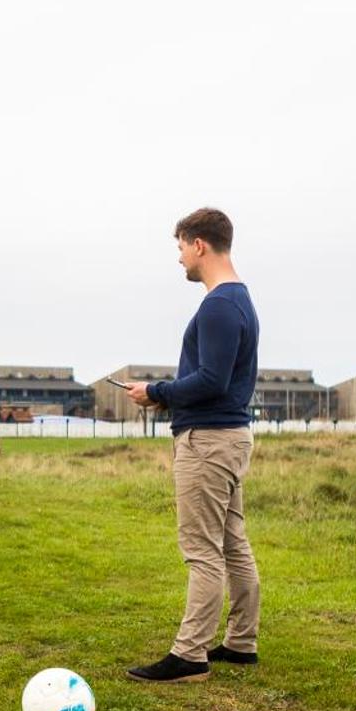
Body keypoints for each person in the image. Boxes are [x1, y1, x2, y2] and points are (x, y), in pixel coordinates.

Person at [123, 207, 261, 683]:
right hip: (227, 435)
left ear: (199, 244)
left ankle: (190, 655)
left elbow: (211, 379)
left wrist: (156, 392)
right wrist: (170, 398)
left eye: (181, 246)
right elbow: (216, 382)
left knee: (202, 549)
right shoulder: (238, 300)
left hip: (208, 443)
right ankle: (242, 643)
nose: (179, 258)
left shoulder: (219, 305)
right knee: (231, 542)